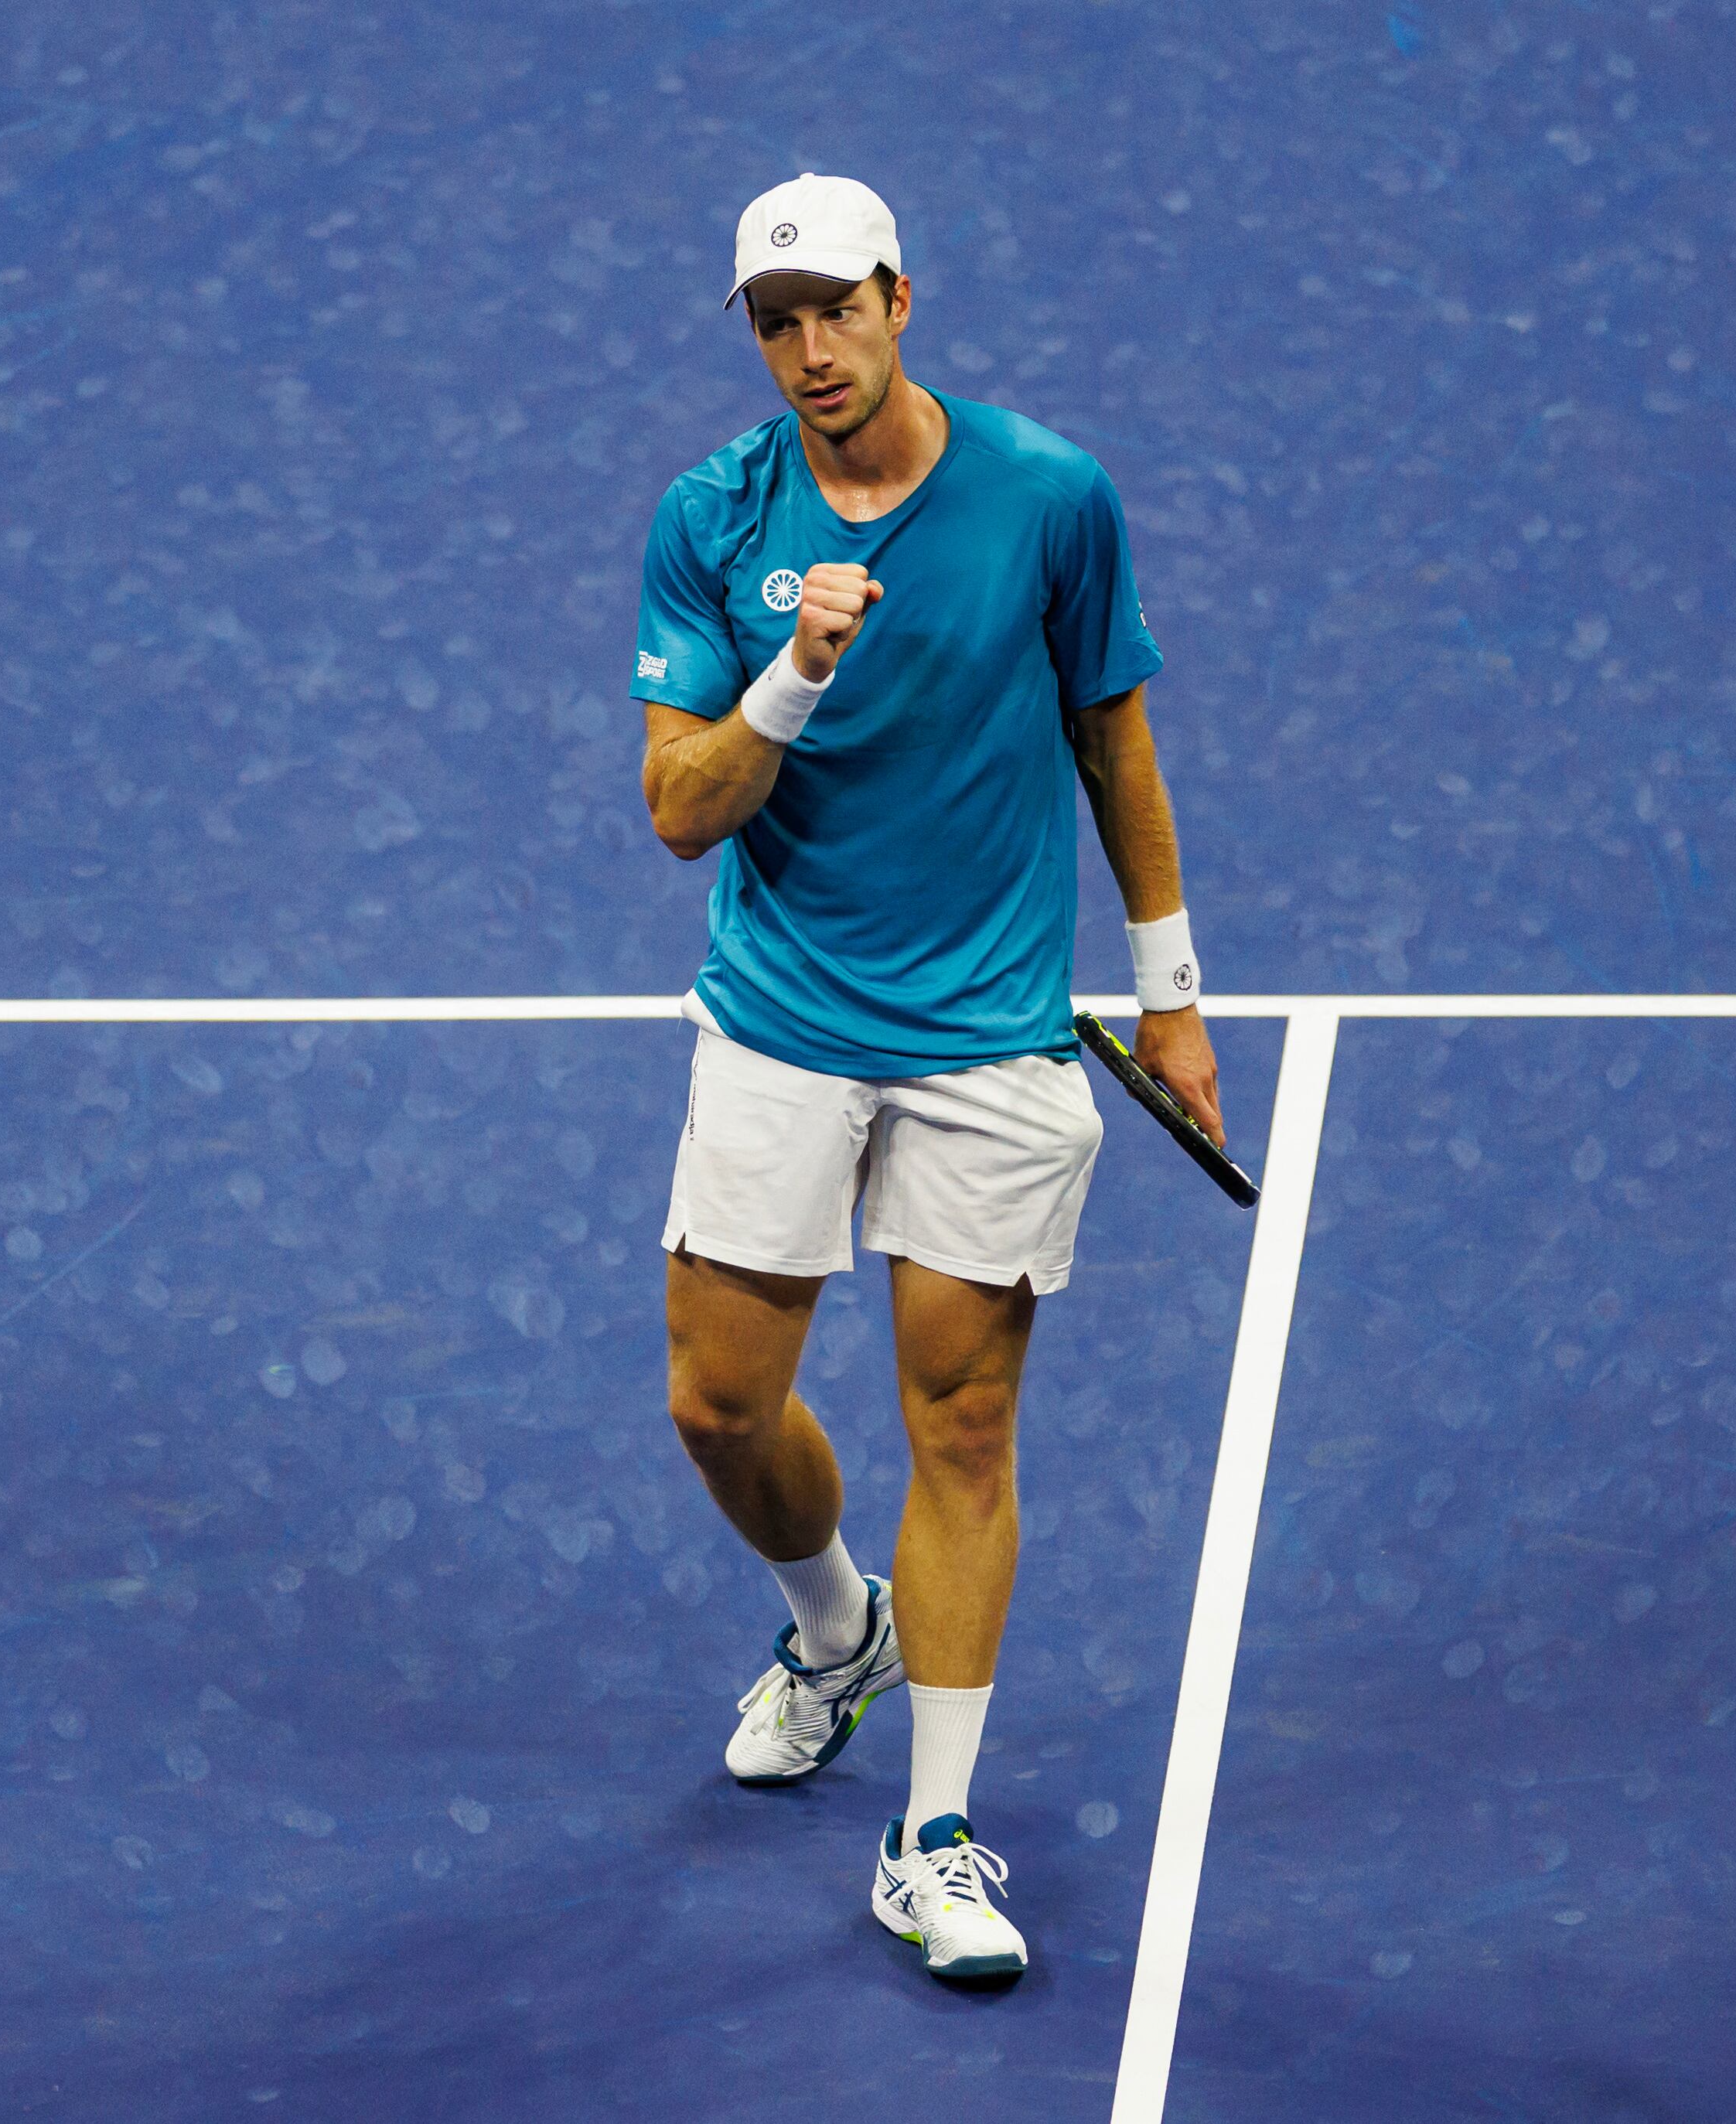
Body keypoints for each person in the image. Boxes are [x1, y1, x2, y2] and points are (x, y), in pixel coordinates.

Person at [632, 172, 1224, 1983]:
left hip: (986, 1040)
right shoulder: (712, 522)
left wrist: (1173, 992)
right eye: (776, 321)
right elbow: (679, 815)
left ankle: (934, 1836)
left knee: (964, 1427)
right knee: (721, 1410)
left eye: (838, 309)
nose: (812, 349)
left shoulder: (1051, 496)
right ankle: (836, 1632)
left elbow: (1110, 729)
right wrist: (796, 673)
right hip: (784, 1024)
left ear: (901, 297)